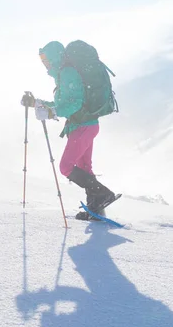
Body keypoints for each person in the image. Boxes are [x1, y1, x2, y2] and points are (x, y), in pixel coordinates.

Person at [22, 40, 119, 220]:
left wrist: (51, 112)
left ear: (55, 57)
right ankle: (96, 210)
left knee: (65, 167)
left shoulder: (67, 73)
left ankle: (104, 195)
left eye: (46, 59)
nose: (44, 63)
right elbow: (62, 104)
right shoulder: (62, 73)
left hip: (83, 126)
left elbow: (74, 103)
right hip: (86, 125)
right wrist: (37, 103)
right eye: (42, 60)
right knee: (84, 167)